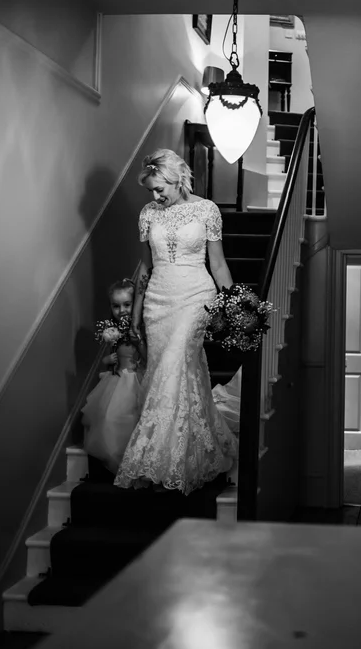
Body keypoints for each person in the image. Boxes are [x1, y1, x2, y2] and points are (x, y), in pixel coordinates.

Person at [114, 148, 239, 495]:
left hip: (196, 297)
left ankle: (158, 460)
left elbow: (218, 265)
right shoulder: (148, 214)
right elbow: (144, 267)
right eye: (151, 190)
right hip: (158, 301)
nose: (156, 196)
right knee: (169, 373)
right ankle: (192, 452)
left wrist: (232, 307)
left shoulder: (207, 210)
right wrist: (135, 315)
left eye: (160, 188)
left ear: (178, 178)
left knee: (175, 364)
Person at [81, 279, 146, 473]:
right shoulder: (113, 330)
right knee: (107, 416)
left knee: (131, 417)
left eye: (127, 304)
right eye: (116, 306)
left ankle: (136, 460)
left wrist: (139, 343)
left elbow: (148, 358)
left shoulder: (140, 328)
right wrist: (108, 359)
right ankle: (117, 459)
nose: (122, 310)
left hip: (136, 379)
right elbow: (108, 358)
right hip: (117, 380)